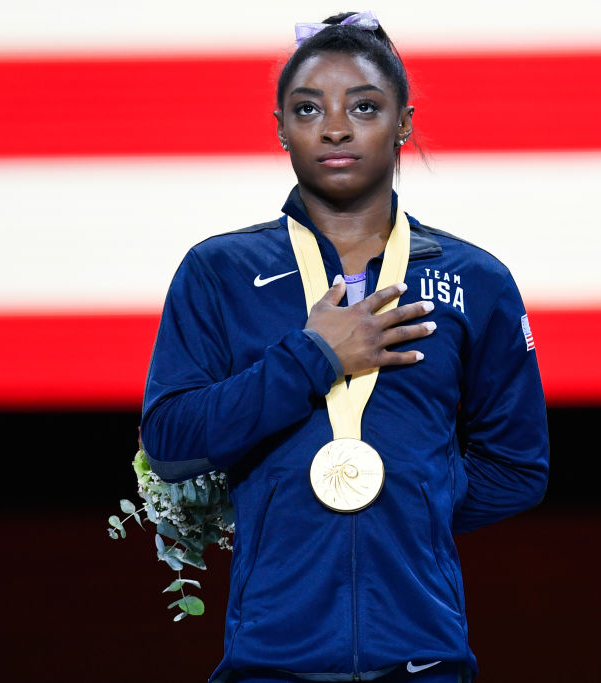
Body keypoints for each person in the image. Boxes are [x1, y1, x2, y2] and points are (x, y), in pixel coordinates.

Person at [140, 11, 549, 683]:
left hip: (424, 659)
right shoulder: (219, 271)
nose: (335, 128)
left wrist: (410, 499)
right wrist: (314, 357)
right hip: (271, 663)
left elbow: (518, 468)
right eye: (309, 109)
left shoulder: (476, 280)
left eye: (364, 106)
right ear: (280, 128)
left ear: (403, 123)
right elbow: (171, 442)